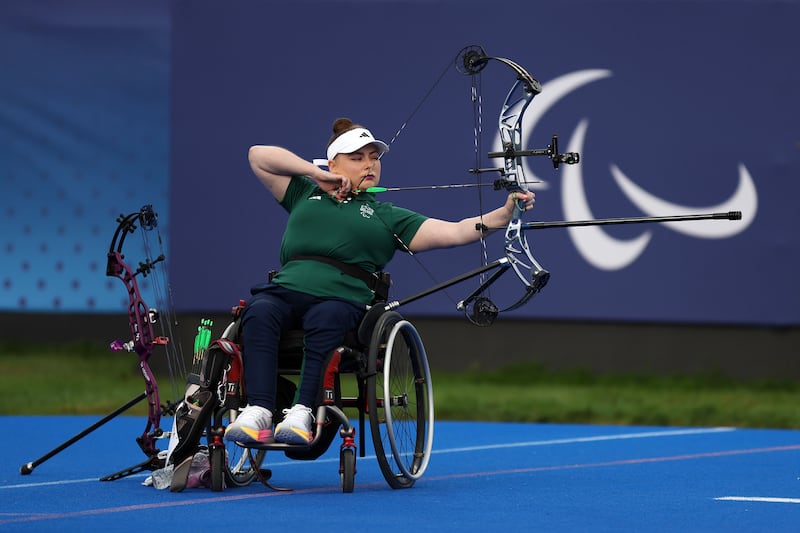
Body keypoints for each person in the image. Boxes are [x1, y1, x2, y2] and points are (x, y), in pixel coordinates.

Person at [224, 117, 535, 445]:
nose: (369, 164)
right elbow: (257, 155)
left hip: (339, 300)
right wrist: (316, 175)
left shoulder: (388, 216)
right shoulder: (303, 193)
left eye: (374, 157)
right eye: (357, 158)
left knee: (326, 317)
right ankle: (258, 410)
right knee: (258, 311)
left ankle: (302, 412)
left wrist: (505, 214)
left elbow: (457, 231)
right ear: (333, 163)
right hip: (285, 289)